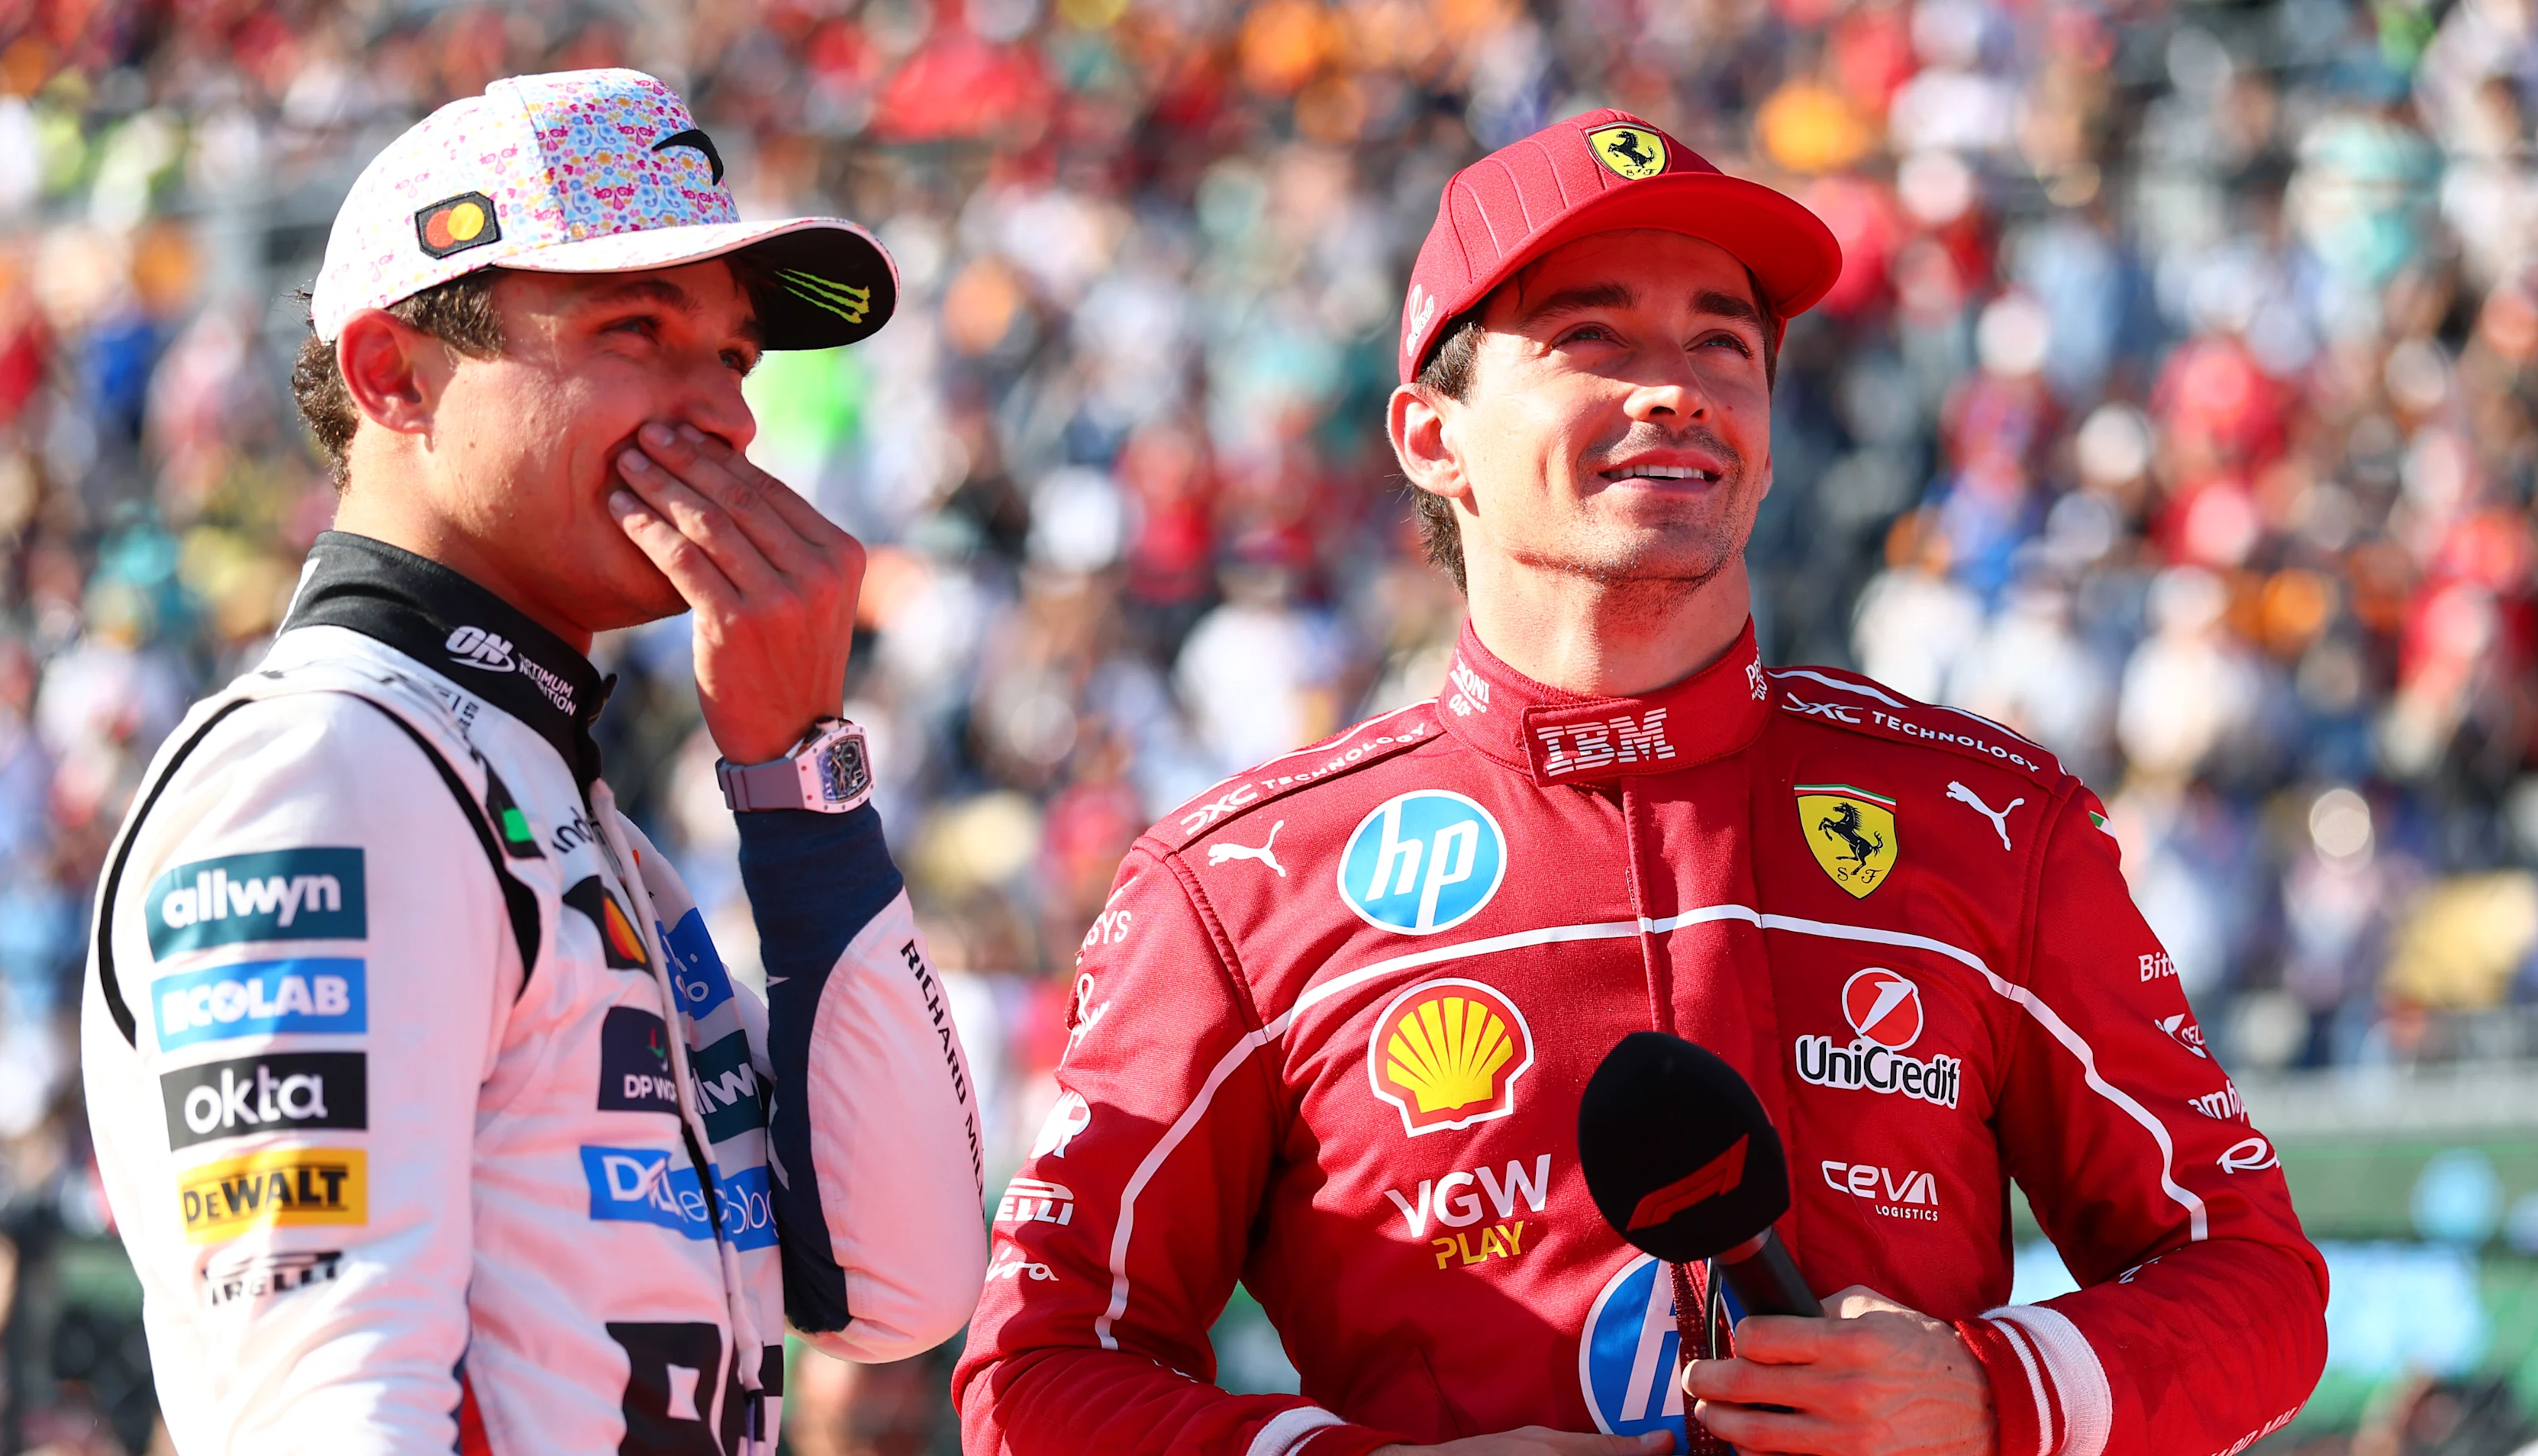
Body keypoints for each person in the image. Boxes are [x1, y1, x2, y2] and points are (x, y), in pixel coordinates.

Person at [956, 111, 2326, 1456]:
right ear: (1434, 438)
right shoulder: (1237, 888)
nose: (1675, 387)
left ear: (1770, 432)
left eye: (1723, 344)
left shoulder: (1989, 822)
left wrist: (1989, 1396)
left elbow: (2260, 1285)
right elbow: (1035, 1376)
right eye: (1592, 340)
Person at [81, 69, 988, 1453]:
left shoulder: (575, 812)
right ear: (393, 374)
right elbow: (332, 1416)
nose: (730, 416)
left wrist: (800, 777)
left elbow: (903, 1288)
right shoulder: (325, 765)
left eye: (736, 358)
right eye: (637, 329)